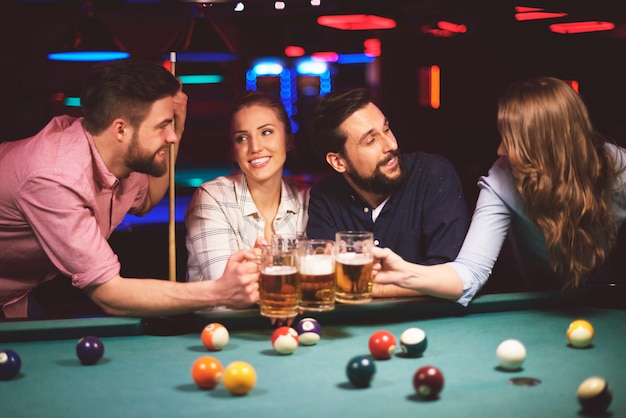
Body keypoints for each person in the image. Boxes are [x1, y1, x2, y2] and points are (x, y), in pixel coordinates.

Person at [0, 59, 260, 319]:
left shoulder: (120, 153)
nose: (171, 137)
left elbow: (146, 200)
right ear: (121, 129)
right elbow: (111, 296)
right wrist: (221, 291)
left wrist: (177, 129)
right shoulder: (55, 178)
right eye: (162, 126)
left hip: (15, 294)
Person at [372, 76, 626, 305]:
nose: (500, 150)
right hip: (533, 302)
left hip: (604, 299)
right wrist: (405, 272)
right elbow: (470, 272)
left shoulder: (620, 172)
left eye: (512, 141)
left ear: (546, 147)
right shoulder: (503, 177)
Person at [306, 88, 470, 298]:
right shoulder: (325, 197)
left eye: (386, 129)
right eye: (371, 140)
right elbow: (325, 278)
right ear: (338, 162)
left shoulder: (433, 175)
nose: (391, 144)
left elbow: (449, 273)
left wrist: (370, 287)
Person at [185, 90, 309, 282]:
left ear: (288, 140)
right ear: (234, 152)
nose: (255, 147)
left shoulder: (308, 199)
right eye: (242, 138)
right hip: (227, 313)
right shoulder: (212, 197)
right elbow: (227, 291)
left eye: (266, 132)